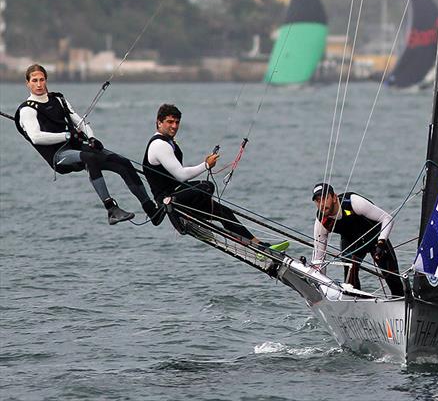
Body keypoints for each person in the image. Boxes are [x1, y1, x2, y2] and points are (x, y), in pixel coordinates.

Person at [15, 63, 161, 225]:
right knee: (89, 158)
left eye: (42, 80)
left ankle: (151, 209)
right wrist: (67, 135)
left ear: (46, 80)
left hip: (77, 147)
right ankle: (111, 210)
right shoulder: (27, 110)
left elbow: (80, 121)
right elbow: (36, 137)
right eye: (34, 80)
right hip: (59, 157)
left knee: (122, 163)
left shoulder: (58, 99)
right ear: (27, 83)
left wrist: (91, 138)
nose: (39, 84)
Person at [142, 103, 286, 252]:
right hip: (169, 199)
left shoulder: (169, 142)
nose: (174, 126)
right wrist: (205, 165)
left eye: (177, 122)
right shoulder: (159, 144)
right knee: (206, 187)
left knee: (225, 213)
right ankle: (185, 221)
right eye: (170, 122)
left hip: (180, 194)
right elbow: (181, 175)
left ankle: (260, 248)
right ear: (159, 122)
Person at [311, 182, 404, 296]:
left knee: (392, 278)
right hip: (351, 242)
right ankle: (356, 305)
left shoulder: (354, 202)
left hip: (375, 238)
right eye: (318, 201)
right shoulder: (321, 222)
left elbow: (387, 219)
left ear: (334, 197)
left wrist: (381, 242)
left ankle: (403, 301)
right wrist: (321, 289)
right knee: (351, 280)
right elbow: (319, 259)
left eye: (325, 198)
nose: (322, 204)